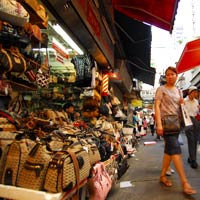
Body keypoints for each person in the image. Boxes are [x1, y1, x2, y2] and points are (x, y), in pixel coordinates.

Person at [154, 66, 196, 195]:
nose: (170, 76)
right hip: (166, 124)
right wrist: (159, 124)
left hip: (177, 125)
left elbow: (179, 107)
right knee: (175, 149)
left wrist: (182, 103)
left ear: (176, 76)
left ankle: (162, 176)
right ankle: (185, 182)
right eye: (167, 75)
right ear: (165, 77)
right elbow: (156, 106)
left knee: (169, 152)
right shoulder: (161, 89)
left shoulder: (178, 90)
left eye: (172, 74)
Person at [184, 86, 200, 169]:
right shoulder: (184, 101)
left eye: (196, 92)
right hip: (187, 121)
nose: (196, 94)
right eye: (194, 92)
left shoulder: (196, 102)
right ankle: (193, 160)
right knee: (191, 140)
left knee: (195, 140)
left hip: (195, 121)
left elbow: (197, 113)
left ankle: (191, 157)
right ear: (190, 92)